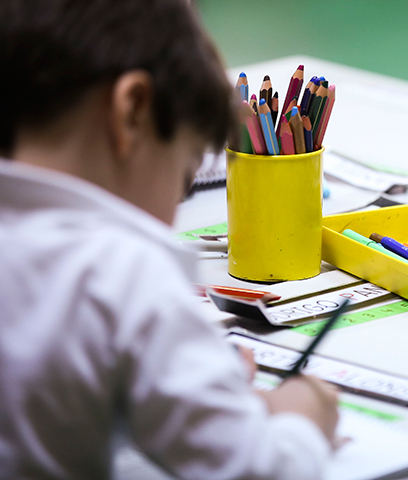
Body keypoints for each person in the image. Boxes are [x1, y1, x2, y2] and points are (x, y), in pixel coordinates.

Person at [0, 1, 339, 479]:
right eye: (184, 175)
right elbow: (257, 471)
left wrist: (186, 382)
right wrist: (301, 419)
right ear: (134, 111)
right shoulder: (125, 272)